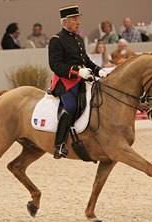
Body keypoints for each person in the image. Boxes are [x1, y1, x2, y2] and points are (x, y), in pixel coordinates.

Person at [48, 5, 107, 159]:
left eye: (78, 18)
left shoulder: (78, 38)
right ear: (65, 21)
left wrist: (97, 70)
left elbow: (85, 60)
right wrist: (77, 71)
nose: (78, 22)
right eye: (75, 19)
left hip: (80, 79)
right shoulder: (57, 40)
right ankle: (59, 145)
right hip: (64, 82)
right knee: (71, 106)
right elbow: (55, 65)